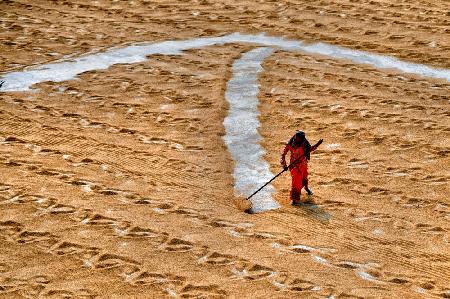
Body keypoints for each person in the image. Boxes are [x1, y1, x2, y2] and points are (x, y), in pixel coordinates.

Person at [280, 131, 322, 205]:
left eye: (300, 139)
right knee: (296, 181)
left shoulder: (304, 143)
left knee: (304, 177)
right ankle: (294, 199)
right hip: (294, 166)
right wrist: (284, 165)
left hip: (303, 164)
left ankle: (306, 188)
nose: (298, 141)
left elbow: (309, 150)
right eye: (297, 139)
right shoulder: (290, 143)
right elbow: (283, 154)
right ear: (295, 138)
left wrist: (317, 144)